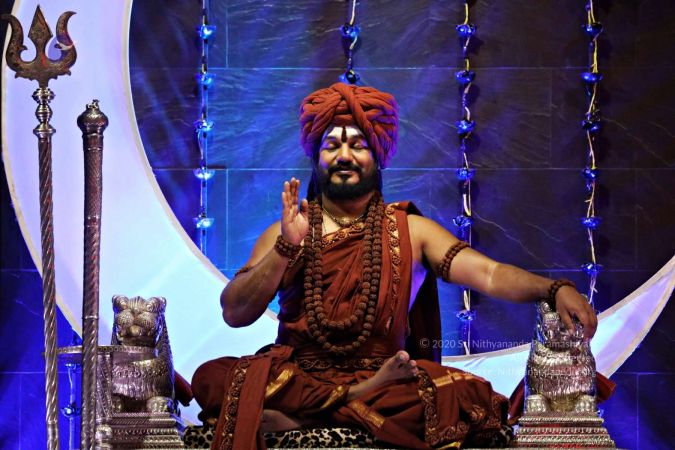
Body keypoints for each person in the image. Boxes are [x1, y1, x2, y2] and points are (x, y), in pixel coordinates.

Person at [191, 82, 598, 450]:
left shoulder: (411, 231)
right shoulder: (287, 230)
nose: (344, 156)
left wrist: (553, 288)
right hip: (299, 377)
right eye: (332, 146)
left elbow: (488, 274)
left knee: (461, 396)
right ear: (316, 157)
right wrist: (284, 248)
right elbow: (235, 312)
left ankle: (313, 414)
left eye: (358, 145)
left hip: (386, 380)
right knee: (211, 378)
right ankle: (340, 403)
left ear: (378, 156)